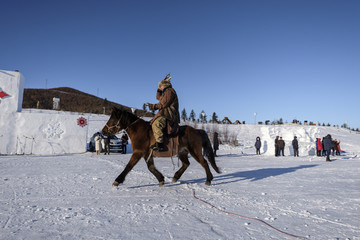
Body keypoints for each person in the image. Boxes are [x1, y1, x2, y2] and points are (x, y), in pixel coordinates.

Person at [148, 75, 180, 152]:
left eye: (161, 86)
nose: (160, 88)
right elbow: (158, 98)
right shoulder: (165, 92)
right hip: (165, 113)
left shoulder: (170, 91)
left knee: (156, 123)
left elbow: (163, 104)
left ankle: (160, 144)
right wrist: (158, 90)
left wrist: (153, 106)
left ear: (165, 85)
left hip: (169, 113)